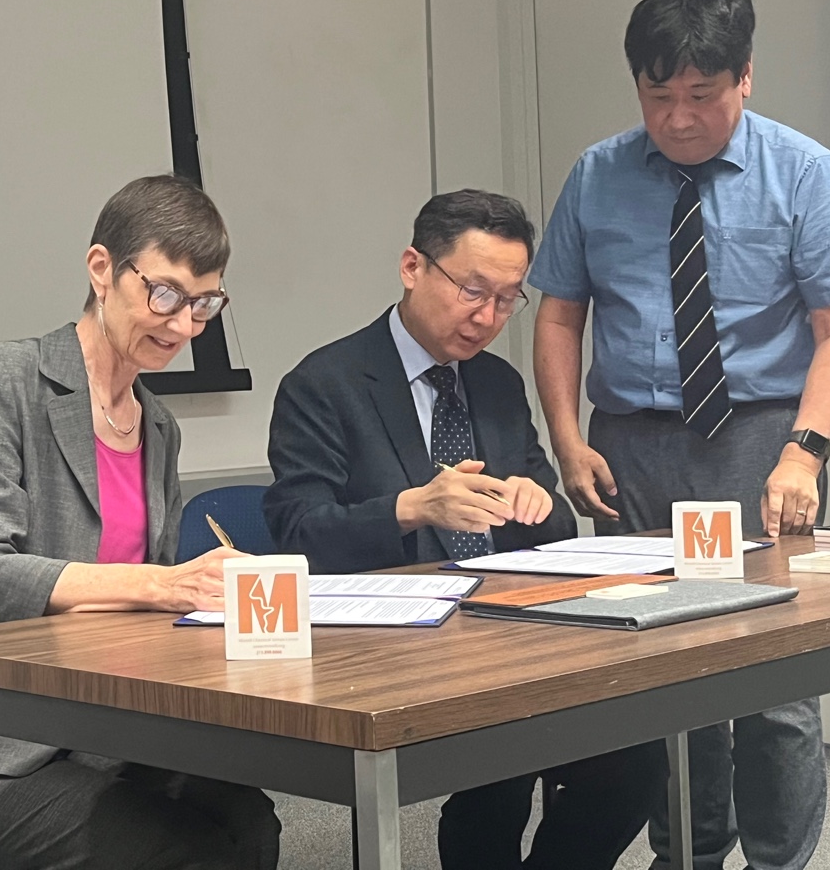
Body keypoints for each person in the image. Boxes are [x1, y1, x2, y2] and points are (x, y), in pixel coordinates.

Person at [529, 0, 830, 870]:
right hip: (630, 444)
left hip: (759, 438)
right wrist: (568, 438)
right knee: (657, 664)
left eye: (701, 94)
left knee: (770, 674)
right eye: (658, 95)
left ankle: (777, 861)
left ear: (744, 76)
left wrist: (805, 452)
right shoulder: (597, 174)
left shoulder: (805, 173)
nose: (678, 119)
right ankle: (687, 852)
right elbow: (561, 313)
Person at [265, 189, 666, 870]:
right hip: (391, 645)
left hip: (508, 632)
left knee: (636, 762)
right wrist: (413, 507)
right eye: (472, 291)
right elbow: (298, 531)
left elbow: (555, 522)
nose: (487, 317)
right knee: (499, 773)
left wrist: (536, 502)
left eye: (508, 299)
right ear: (413, 267)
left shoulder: (497, 383)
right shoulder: (325, 383)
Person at [0, 174, 281, 870]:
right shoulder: (3, 378)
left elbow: (150, 615)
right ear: (102, 269)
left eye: (204, 304)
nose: (184, 326)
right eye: (165, 294)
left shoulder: (159, 427)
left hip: (102, 734)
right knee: (180, 850)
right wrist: (163, 585)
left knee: (250, 822)